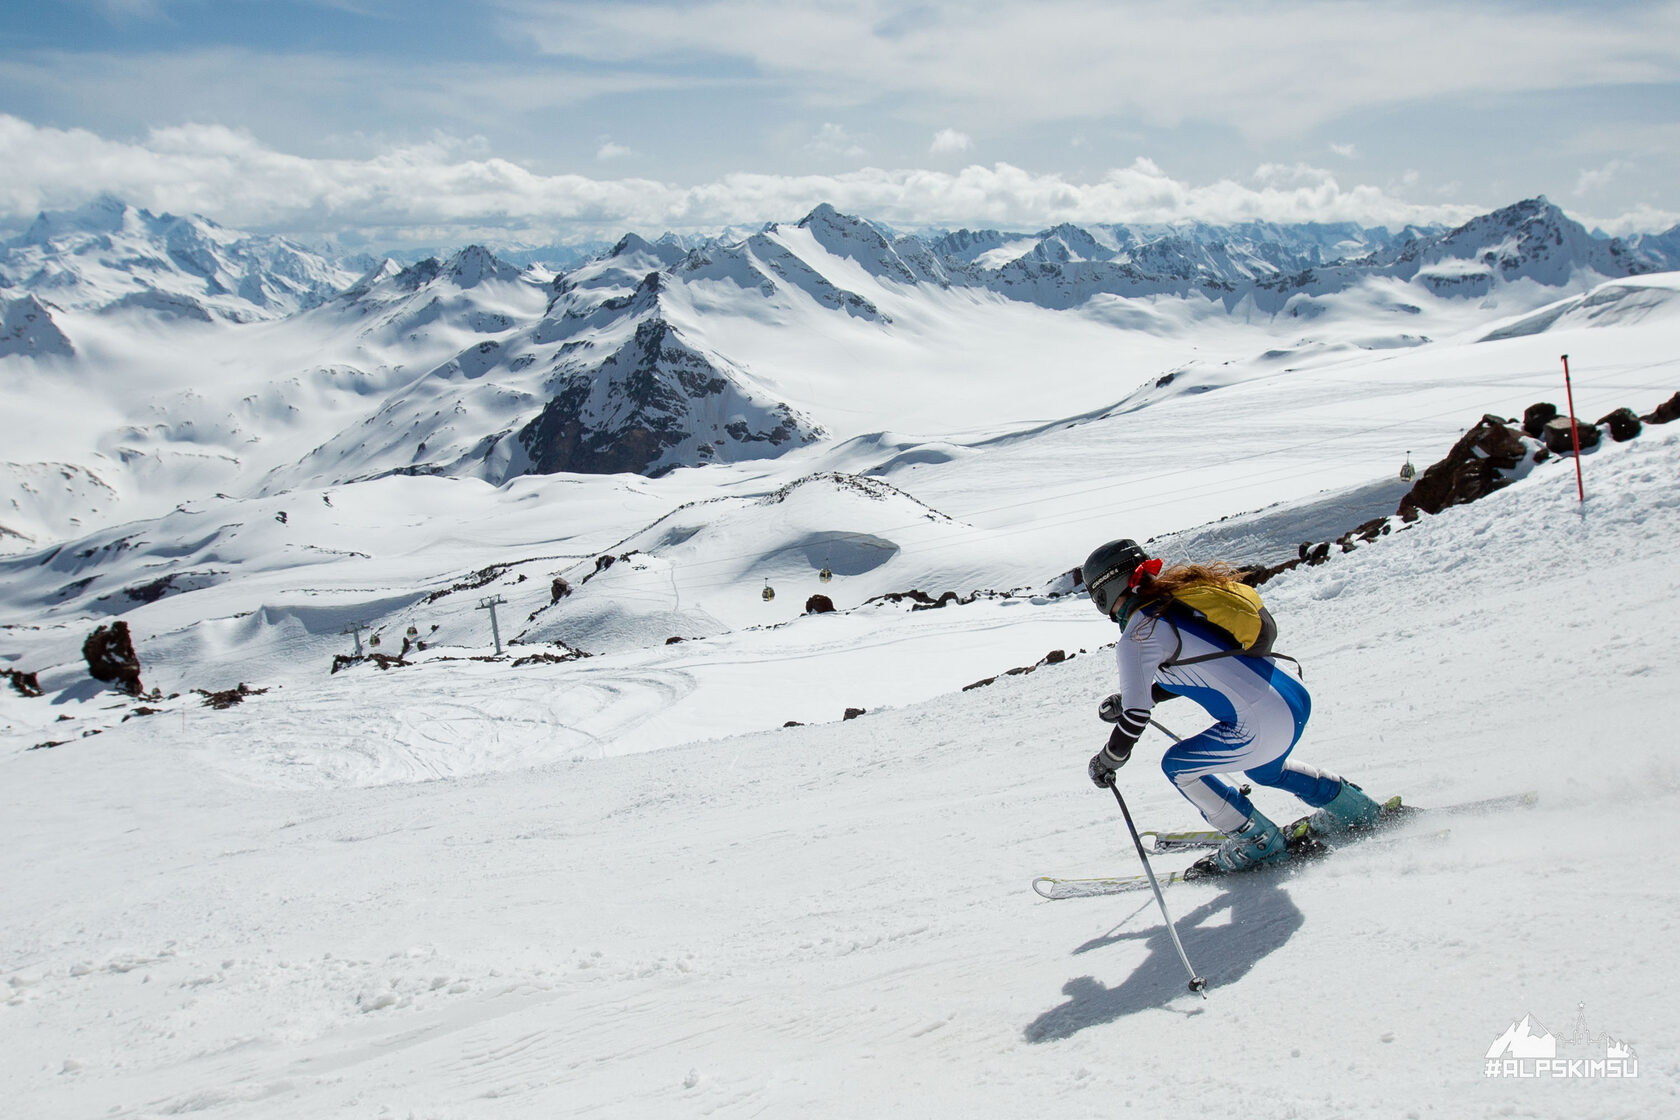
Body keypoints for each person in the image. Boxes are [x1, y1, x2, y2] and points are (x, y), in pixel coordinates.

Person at [1081, 538, 1384, 873]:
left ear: (1104, 592)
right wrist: (1137, 698)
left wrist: (1108, 759)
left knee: (1178, 766)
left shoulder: (1138, 635)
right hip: (1291, 696)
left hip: (1263, 722)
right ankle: (1354, 807)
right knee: (1264, 769)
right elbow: (1200, 670)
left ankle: (1256, 840)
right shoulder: (1177, 603)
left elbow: (1137, 717)